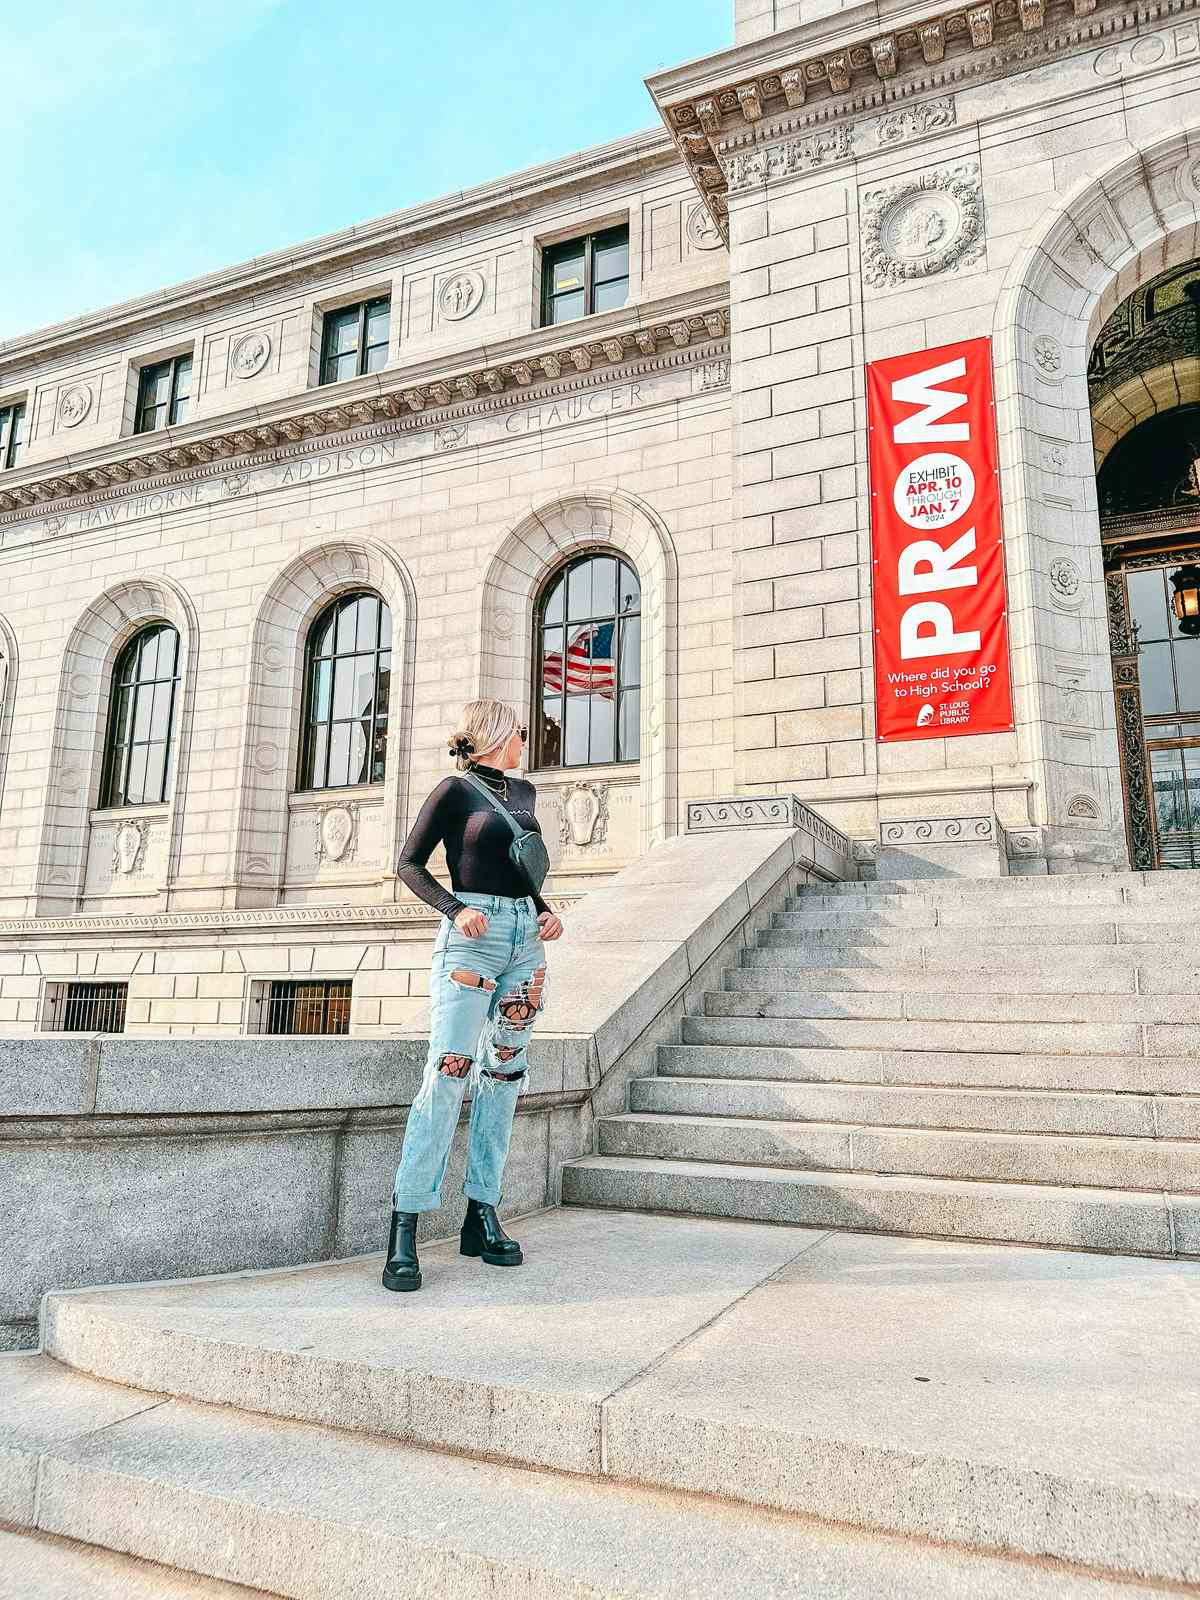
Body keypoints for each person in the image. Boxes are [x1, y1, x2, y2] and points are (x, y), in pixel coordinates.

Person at [383, 697, 564, 1293]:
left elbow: (520, 871)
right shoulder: (454, 791)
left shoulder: (527, 796)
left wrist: (543, 912)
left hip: (523, 943)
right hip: (472, 940)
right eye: (516, 732)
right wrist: (455, 910)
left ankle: (481, 1213)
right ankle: (405, 1224)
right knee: (449, 1070)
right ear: (491, 736)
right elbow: (409, 865)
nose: (523, 741)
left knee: (506, 1077)